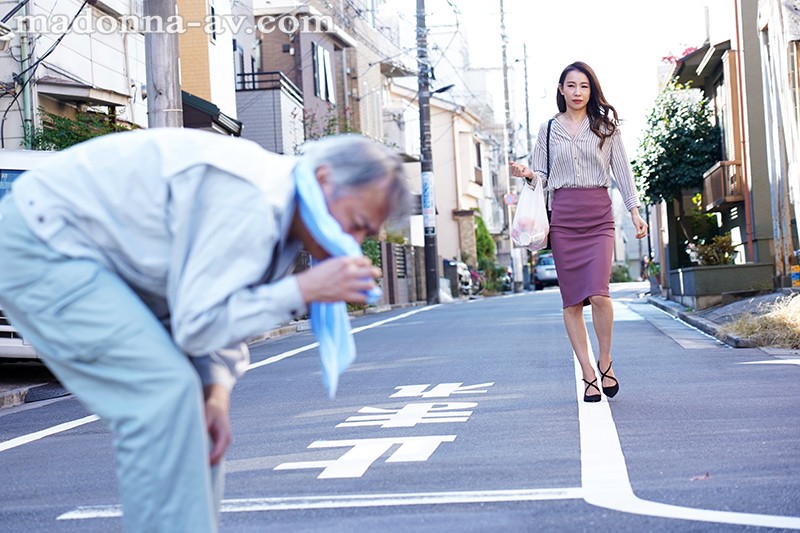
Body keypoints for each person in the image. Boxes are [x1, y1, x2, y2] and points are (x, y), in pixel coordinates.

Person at [0, 128, 409, 532]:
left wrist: (215, 390)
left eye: (365, 234)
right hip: (44, 243)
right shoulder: (250, 199)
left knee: (194, 413)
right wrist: (303, 289)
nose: (353, 243)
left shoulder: (286, 213)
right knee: (162, 395)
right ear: (324, 180)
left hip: (104, 263)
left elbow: (218, 304)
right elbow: (198, 324)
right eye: (355, 224)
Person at [510, 61, 648, 403]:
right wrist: (527, 174)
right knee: (572, 301)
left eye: (583, 86)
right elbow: (540, 176)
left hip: (599, 215)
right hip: (564, 217)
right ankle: (588, 373)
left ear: (591, 90)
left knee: (600, 294)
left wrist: (635, 211)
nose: (577, 92)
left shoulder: (606, 128)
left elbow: (623, 173)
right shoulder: (547, 130)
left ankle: (605, 360)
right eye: (571, 86)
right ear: (561, 89)